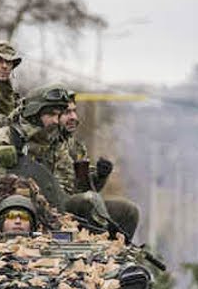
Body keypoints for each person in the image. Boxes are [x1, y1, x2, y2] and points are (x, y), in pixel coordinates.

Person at [54, 87, 142, 239]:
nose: (74, 117)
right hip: (53, 206)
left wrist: (100, 176)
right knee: (88, 200)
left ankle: (116, 250)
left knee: (128, 210)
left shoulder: (75, 147)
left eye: (74, 111)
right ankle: (101, 241)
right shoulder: (38, 143)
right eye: (67, 113)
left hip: (78, 206)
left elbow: (86, 186)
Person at [0, 84, 74, 210]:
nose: (56, 121)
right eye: (50, 115)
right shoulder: (7, 137)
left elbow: (63, 189)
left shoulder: (57, 144)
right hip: (9, 210)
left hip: (49, 211)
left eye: (58, 115)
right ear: (34, 113)